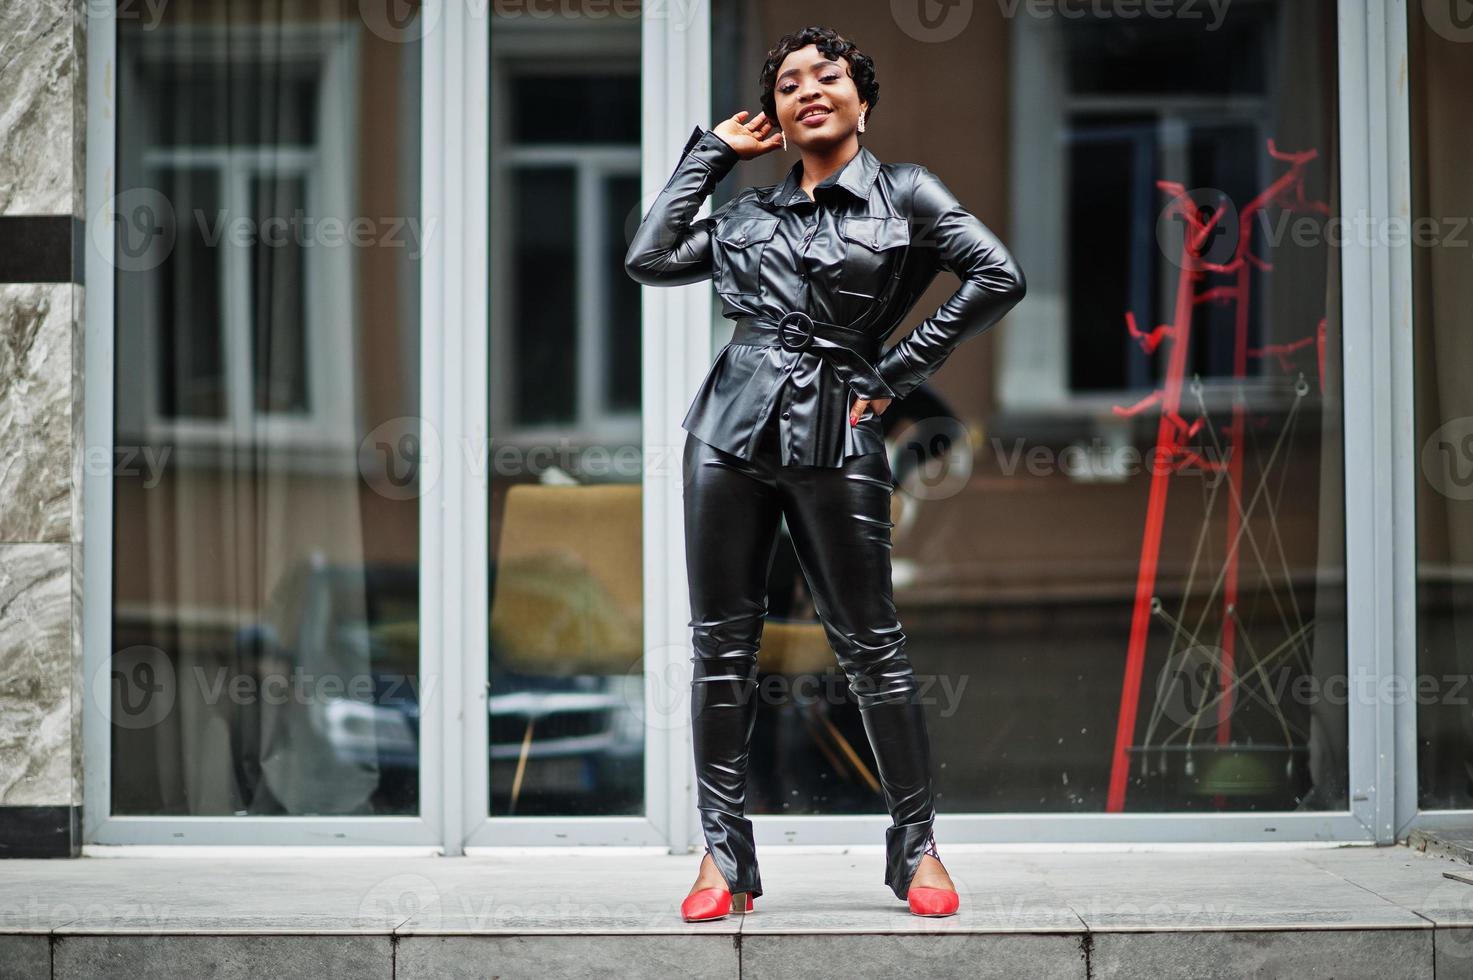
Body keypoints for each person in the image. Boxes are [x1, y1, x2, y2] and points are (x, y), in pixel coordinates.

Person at [624, 25, 1026, 921]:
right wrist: (711, 155)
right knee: (720, 650)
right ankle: (722, 860)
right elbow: (648, 257)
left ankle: (917, 850)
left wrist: (890, 373)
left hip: (840, 430)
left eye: (827, 76)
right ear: (770, 112)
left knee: (870, 644)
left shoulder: (906, 194)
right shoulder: (746, 214)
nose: (807, 90)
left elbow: (996, 275)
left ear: (860, 98)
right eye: (788, 82)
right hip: (726, 435)